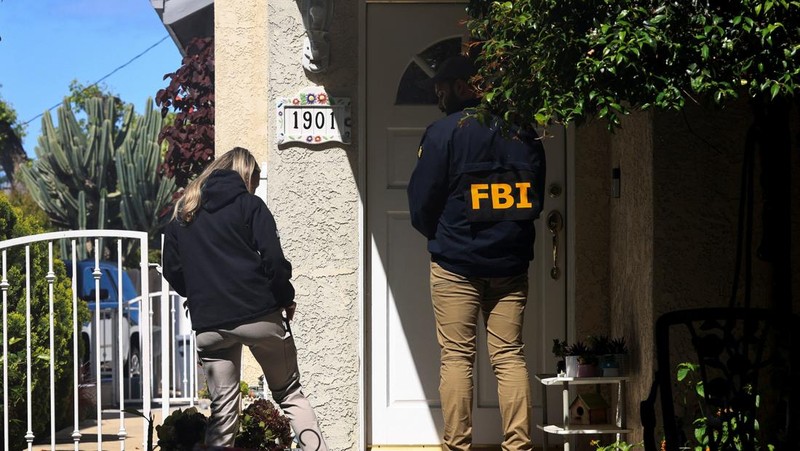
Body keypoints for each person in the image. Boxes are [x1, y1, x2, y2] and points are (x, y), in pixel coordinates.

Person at [407, 55, 546, 451]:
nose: (438, 95)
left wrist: (443, 236)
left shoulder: (443, 133)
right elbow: (534, 195)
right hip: (510, 264)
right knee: (509, 357)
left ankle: (457, 446)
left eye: (443, 87)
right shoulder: (525, 133)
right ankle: (518, 447)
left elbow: (421, 204)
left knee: (456, 359)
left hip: (457, 265)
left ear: (466, 87)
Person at [162, 147, 327, 451]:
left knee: (223, 413)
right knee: (289, 393)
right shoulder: (249, 205)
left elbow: (174, 272)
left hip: (210, 324)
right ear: (246, 175)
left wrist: (204, 295)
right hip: (259, 316)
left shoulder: (183, 214)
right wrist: (285, 299)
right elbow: (274, 262)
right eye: (254, 180)